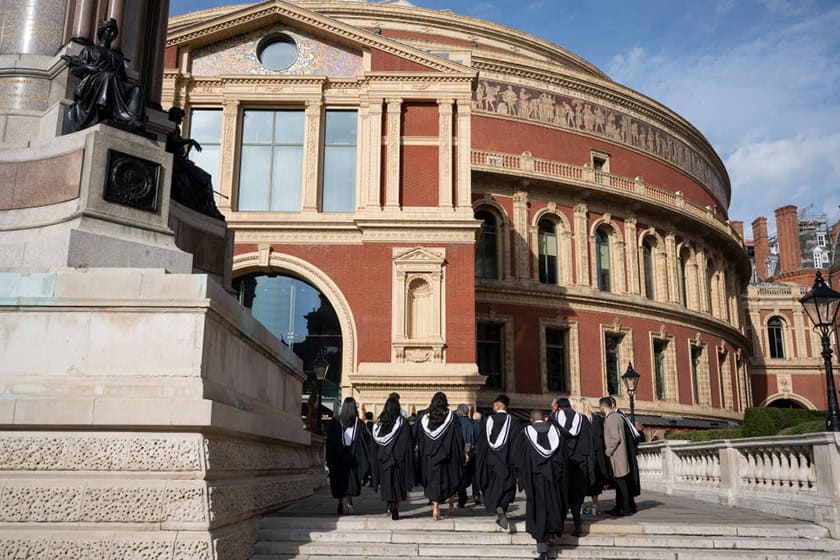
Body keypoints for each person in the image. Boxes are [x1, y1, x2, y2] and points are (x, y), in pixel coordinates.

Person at [61, 18, 145, 132]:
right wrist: (86, 67)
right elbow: (75, 70)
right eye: (108, 30)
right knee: (108, 76)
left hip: (115, 84)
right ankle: (105, 110)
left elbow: (123, 78)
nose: (110, 33)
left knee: (137, 89)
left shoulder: (117, 57)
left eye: (113, 31)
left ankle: (133, 119)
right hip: (94, 82)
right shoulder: (89, 50)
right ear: (101, 31)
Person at [514, 409, 567, 560]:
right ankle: (551, 536)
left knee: (538, 510)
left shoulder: (525, 434)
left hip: (534, 480)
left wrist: (521, 478)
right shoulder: (556, 432)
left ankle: (542, 549)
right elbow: (563, 458)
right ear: (544, 419)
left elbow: (518, 459)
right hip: (553, 479)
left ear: (531, 420)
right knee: (553, 506)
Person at [416, 392, 465, 520]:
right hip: (446, 456)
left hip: (429, 457)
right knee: (448, 479)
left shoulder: (424, 419)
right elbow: (458, 439)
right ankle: (450, 504)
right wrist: (461, 453)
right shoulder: (452, 418)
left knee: (433, 481)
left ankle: (435, 507)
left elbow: (418, 439)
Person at [475, 394, 520, 530]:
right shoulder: (514, 422)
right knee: (507, 488)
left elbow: (482, 444)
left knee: (492, 487)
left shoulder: (487, 421)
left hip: (491, 463)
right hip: (507, 463)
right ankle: (502, 508)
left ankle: (497, 508)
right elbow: (517, 445)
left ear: (498, 405)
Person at [552, 397, 593, 536]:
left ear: (558, 407)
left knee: (560, 494)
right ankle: (577, 524)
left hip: (561, 463)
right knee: (576, 496)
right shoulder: (583, 419)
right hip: (579, 463)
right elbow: (588, 444)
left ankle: (559, 527)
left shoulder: (554, 419)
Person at [370, 397, 415, 521]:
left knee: (386, 485)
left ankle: (388, 504)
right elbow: (406, 443)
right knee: (397, 485)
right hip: (397, 461)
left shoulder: (378, 424)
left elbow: (375, 445)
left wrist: (381, 456)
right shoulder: (403, 423)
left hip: (383, 461)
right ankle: (396, 508)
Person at [325, 397, 371, 515]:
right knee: (351, 480)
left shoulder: (334, 423)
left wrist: (330, 459)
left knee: (339, 481)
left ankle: (340, 502)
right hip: (353, 459)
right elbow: (366, 442)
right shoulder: (359, 424)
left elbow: (329, 442)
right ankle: (349, 500)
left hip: (338, 459)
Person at [600, 397, 640, 517]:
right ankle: (625, 507)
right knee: (623, 483)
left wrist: (608, 451)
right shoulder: (618, 416)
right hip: (621, 455)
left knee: (621, 484)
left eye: (600, 406)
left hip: (617, 455)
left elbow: (615, 438)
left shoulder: (611, 418)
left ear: (603, 406)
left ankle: (625, 509)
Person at [579, 398, 609, 515]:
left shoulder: (580, 420)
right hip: (597, 454)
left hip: (585, 454)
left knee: (582, 480)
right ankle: (595, 506)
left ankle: (581, 506)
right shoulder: (597, 419)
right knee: (595, 481)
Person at [455, 403, 479, 508]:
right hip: (473, 453)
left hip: (458, 453)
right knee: (473, 475)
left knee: (459, 476)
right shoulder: (475, 424)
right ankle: (476, 495)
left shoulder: (455, 423)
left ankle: (462, 497)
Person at [471, 411, 484, 505]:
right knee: (478, 475)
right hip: (481, 454)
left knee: (472, 475)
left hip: (472, 452)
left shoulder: (470, 425)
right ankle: (477, 495)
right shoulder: (484, 426)